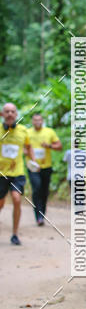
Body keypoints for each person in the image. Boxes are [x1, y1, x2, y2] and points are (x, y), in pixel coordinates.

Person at [0, 103, 33, 245]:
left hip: (18, 172)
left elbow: (29, 147)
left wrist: (33, 162)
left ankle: (14, 234)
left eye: (12, 111)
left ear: (16, 114)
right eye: (6, 111)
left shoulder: (23, 131)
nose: (9, 114)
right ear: (2, 114)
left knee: (17, 199)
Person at [27, 113, 62, 225]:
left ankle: (42, 214)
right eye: (35, 120)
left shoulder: (49, 132)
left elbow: (59, 146)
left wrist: (49, 146)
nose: (37, 122)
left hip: (46, 167)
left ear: (42, 121)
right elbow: (23, 147)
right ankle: (38, 216)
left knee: (44, 191)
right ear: (32, 121)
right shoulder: (27, 133)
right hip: (33, 167)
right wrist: (25, 151)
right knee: (36, 188)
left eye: (39, 120)